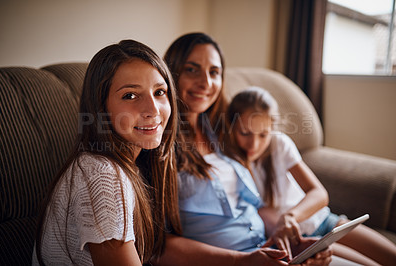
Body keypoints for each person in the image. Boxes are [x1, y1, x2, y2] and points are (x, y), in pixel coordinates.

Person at [154, 32, 333, 266]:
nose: (206, 83)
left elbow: (250, 208)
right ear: (172, 72)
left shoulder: (224, 132)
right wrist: (243, 260)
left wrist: (288, 241)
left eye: (214, 72)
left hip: (266, 248)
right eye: (192, 69)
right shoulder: (158, 142)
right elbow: (156, 245)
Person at [33, 39, 182, 265]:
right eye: (130, 95)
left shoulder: (130, 164)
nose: (153, 110)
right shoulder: (102, 176)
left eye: (160, 92)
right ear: (101, 108)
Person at [226, 86, 396, 266]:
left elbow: (319, 194)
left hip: (324, 220)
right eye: (245, 133)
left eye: (263, 134)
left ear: (273, 129)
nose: (254, 143)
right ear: (230, 126)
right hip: (301, 239)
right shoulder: (230, 163)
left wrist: (290, 216)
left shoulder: (279, 144)